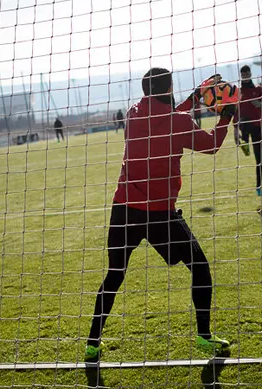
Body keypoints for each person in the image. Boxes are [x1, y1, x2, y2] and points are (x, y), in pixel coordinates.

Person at [85, 68, 236, 361]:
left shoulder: (132, 114)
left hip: (123, 211)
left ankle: (92, 342)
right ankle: (204, 336)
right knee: (200, 268)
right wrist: (226, 116)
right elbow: (211, 145)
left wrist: (193, 100)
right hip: (159, 216)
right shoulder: (177, 122)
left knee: (114, 275)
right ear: (168, 89)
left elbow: (165, 121)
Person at [235, 65, 262, 196]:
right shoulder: (238, 92)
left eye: (247, 74)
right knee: (245, 146)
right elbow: (235, 112)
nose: (245, 76)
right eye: (243, 74)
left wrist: (260, 104)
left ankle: (259, 186)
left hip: (257, 126)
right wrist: (235, 130)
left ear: (250, 74)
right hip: (244, 125)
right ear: (241, 76)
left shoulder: (258, 89)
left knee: (259, 158)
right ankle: (244, 143)